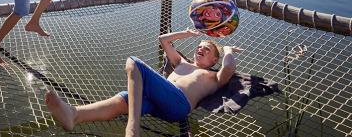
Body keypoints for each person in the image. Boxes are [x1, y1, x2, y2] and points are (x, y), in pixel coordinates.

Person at [45, 28, 243, 137]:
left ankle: (133, 129)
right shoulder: (182, 62)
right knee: (125, 99)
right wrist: (186, 33)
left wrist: (227, 49)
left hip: (179, 104)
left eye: (207, 49)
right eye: (199, 46)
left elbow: (229, 69)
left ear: (214, 60)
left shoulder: (213, 77)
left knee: (134, 63)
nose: (201, 48)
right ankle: (74, 115)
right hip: (160, 103)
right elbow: (163, 40)